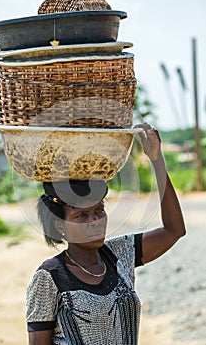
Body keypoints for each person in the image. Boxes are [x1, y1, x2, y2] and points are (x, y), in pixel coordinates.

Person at [26, 123, 186, 345]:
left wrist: (157, 161)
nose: (94, 222)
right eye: (81, 216)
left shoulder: (119, 254)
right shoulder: (49, 277)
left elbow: (174, 230)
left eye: (99, 211)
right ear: (60, 226)